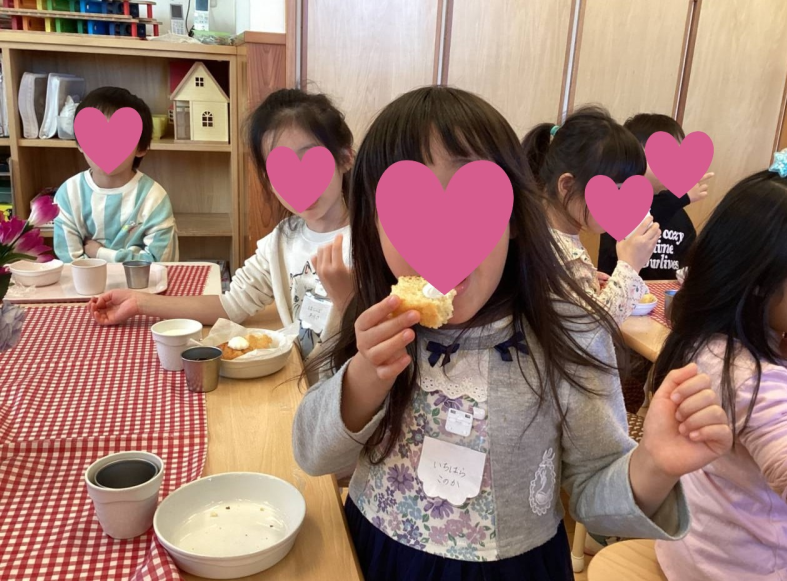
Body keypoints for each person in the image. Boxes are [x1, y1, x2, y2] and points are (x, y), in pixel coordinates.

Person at [292, 86, 732, 581]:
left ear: (514, 219)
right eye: (408, 211)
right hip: (378, 554)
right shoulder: (374, 320)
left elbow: (593, 493)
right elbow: (314, 454)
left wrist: (653, 466)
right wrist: (362, 381)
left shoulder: (570, 330)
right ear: (373, 229)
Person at [88, 89, 355, 362]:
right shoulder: (281, 241)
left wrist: (348, 299)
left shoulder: (371, 240)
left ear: (345, 157)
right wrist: (139, 302)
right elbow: (231, 305)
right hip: (298, 379)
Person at [653, 152, 787, 581]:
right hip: (753, 570)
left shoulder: (706, 342)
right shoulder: (755, 380)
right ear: (761, 282)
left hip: (694, 553)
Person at [522, 107, 660, 325]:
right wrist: (630, 266)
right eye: (615, 190)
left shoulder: (547, 236)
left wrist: (585, 282)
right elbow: (593, 329)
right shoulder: (557, 255)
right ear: (567, 185)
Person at [54, 87, 179, 263]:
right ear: (80, 143)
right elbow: (70, 260)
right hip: (85, 281)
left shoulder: (154, 197)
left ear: (141, 148)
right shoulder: (68, 194)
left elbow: (162, 261)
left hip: (140, 281)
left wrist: (100, 253)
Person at [598, 113, 714, 280]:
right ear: (632, 157)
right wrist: (682, 198)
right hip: (621, 291)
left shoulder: (677, 210)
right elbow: (641, 218)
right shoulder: (619, 203)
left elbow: (689, 254)